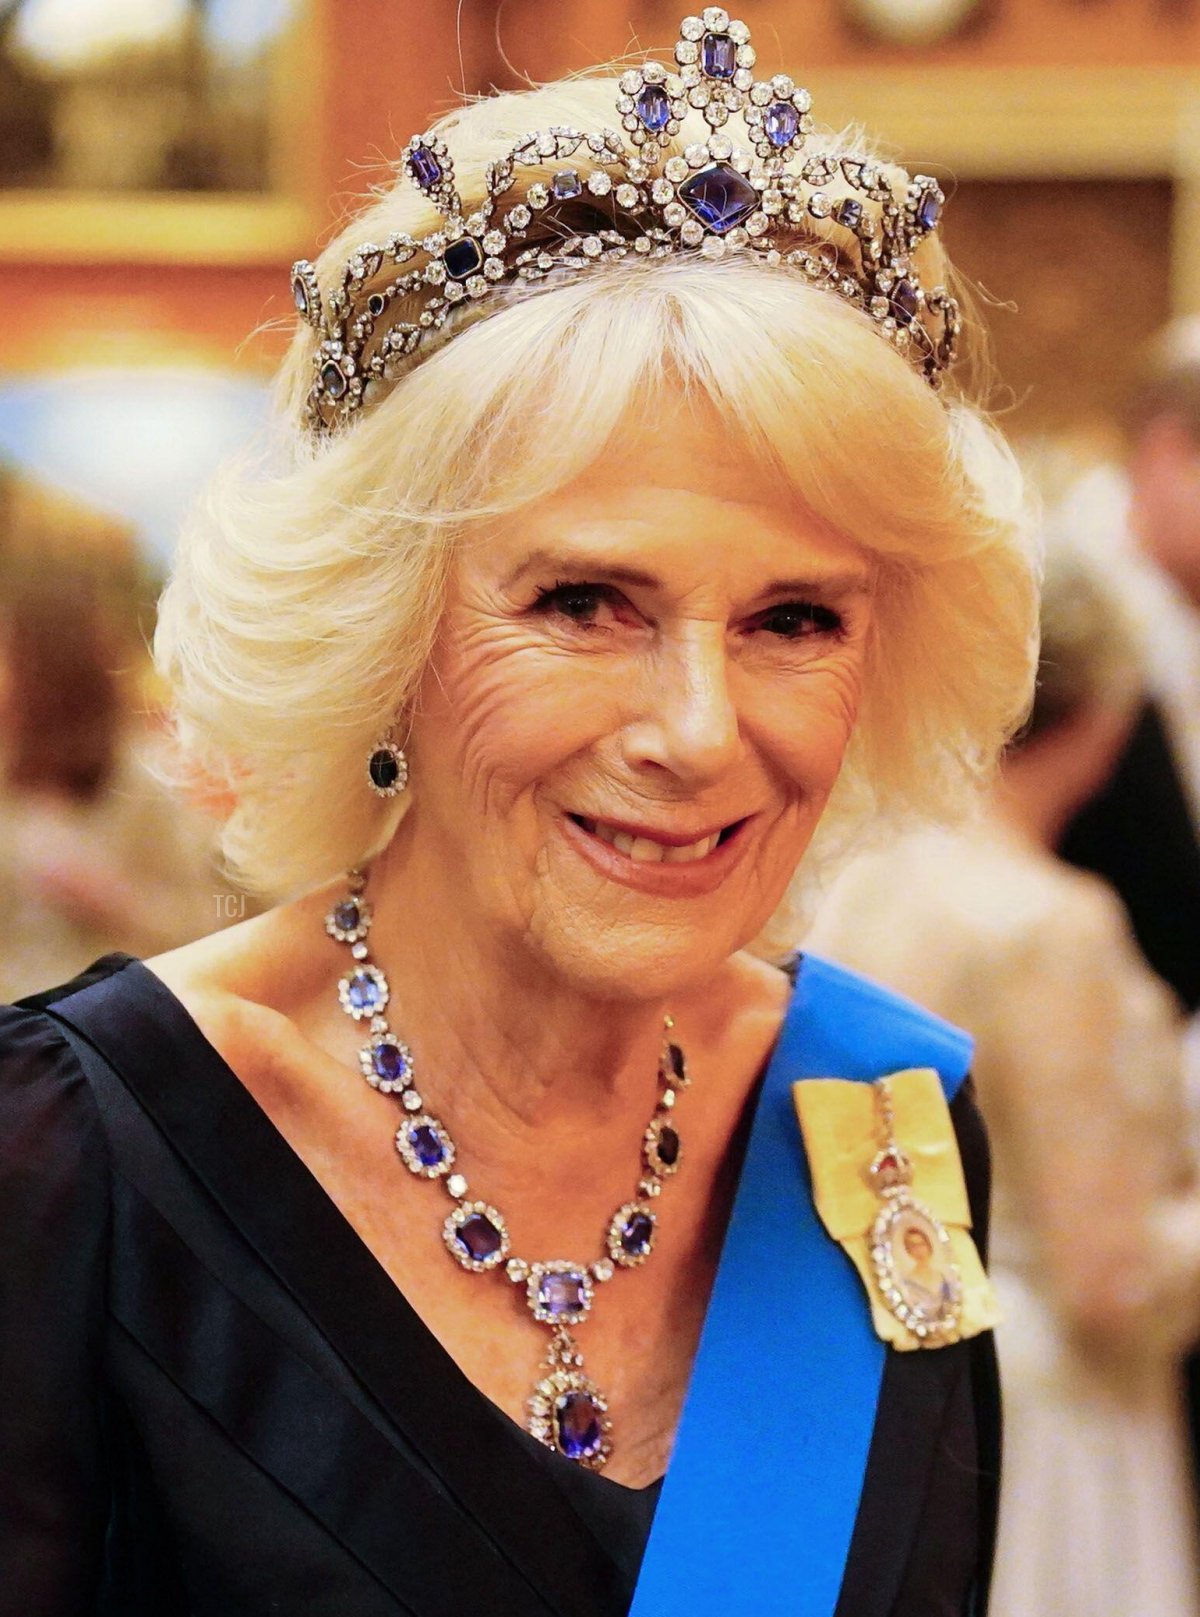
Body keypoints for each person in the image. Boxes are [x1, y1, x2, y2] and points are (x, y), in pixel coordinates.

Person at [0, 13, 1038, 1614]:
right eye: (584, 602)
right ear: (384, 632)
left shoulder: (879, 1125)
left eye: (795, 619)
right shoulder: (70, 1164)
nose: (698, 732)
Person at [808, 517, 1200, 1616]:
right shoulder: (1049, 924)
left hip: (897, 1383)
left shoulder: (863, 875)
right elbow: (1107, 1278)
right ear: (1105, 707)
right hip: (1051, 1425)